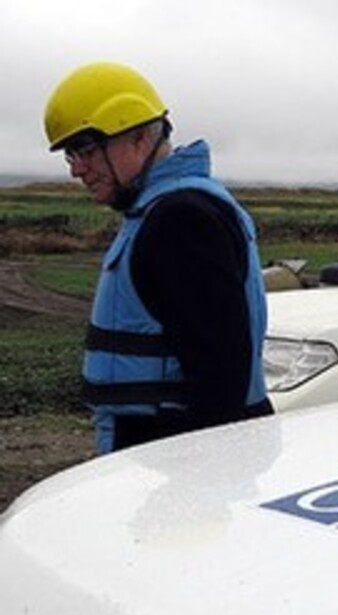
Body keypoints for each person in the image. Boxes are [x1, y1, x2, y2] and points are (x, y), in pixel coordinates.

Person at [43, 62, 273, 453]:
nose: (77, 169)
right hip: (165, 456)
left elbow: (220, 379)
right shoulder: (162, 211)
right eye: (70, 155)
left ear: (137, 137)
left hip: (176, 465)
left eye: (86, 149)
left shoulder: (180, 220)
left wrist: (194, 498)